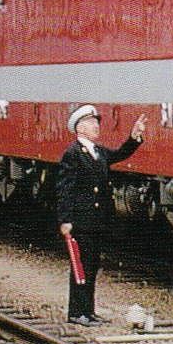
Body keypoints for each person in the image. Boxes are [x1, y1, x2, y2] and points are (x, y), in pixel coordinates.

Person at [57, 104, 146, 325]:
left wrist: (134, 138)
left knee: (92, 266)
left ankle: (88, 310)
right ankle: (76, 312)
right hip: (81, 219)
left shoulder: (98, 152)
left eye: (96, 123)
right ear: (79, 128)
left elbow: (119, 154)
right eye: (91, 123)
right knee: (81, 266)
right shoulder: (73, 154)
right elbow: (65, 189)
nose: (96, 127)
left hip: (96, 220)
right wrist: (65, 219)